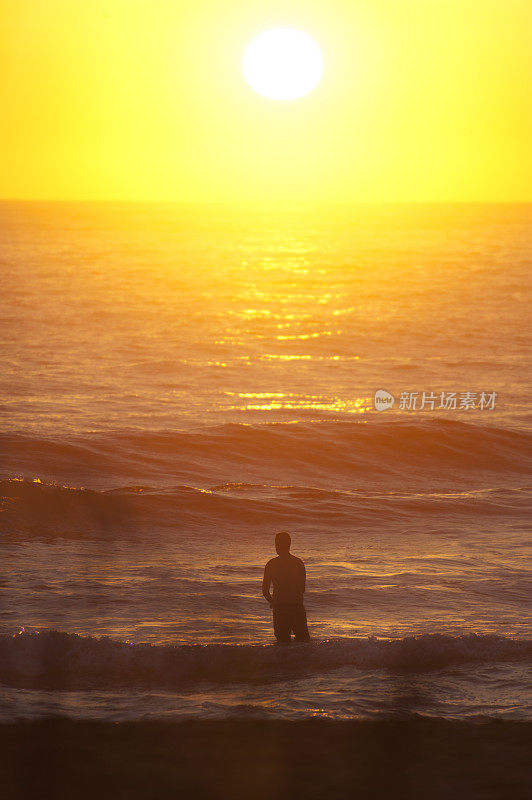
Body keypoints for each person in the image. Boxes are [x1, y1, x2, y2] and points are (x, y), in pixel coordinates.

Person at [262, 531, 310, 643]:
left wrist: (272, 602)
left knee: (282, 643)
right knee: (303, 643)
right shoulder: (298, 563)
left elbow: (265, 591)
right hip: (296, 607)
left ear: (277, 545)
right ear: (289, 545)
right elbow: (302, 588)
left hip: (279, 608)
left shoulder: (271, 564)